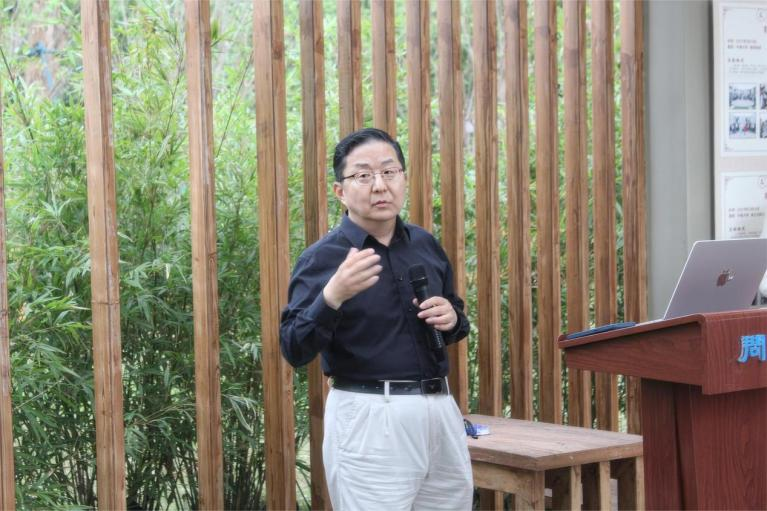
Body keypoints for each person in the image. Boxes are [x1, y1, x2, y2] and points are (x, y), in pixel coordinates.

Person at [280, 128, 473, 510]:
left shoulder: (425, 245)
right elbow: (293, 347)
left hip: (440, 410)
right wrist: (332, 295)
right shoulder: (322, 258)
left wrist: (452, 318)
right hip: (370, 417)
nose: (380, 185)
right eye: (364, 175)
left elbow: (457, 318)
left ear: (404, 178)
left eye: (389, 172)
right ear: (340, 191)